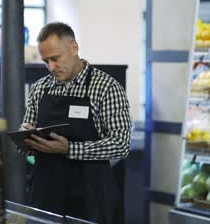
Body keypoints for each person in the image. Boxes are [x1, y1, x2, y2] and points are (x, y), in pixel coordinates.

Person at [20, 22, 132, 223]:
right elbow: (27, 150)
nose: (51, 67)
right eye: (46, 61)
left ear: (74, 48)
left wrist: (69, 149)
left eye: (55, 58)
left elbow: (121, 145)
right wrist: (25, 139)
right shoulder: (39, 89)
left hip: (90, 199)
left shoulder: (106, 88)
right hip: (45, 196)